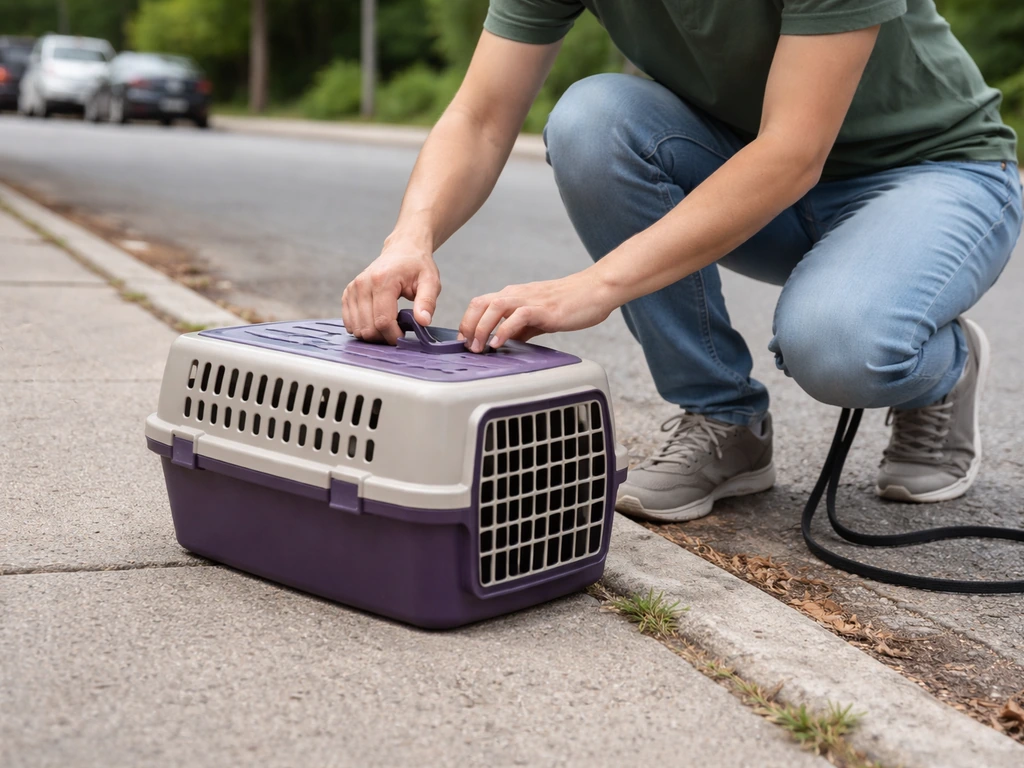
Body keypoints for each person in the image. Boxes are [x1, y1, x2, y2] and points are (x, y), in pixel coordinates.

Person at [342, 1, 1023, 523]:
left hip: (932, 174)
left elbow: (794, 151)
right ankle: (723, 419)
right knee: (592, 119)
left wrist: (597, 285)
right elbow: (483, 116)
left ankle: (942, 372)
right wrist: (409, 236)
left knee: (838, 344)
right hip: (762, 181)